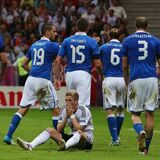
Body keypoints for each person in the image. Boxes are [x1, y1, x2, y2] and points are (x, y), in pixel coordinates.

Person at [3, 23, 60, 144]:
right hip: (43, 80)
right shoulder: (53, 46)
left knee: (22, 109)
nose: (56, 34)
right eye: (54, 31)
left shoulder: (34, 45)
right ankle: (59, 139)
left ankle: (8, 136)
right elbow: (61, 57)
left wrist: (32, 73)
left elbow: (23, 63)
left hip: (31, 80)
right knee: (55, 111)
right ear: (47, 32)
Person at [122, 17, 160, 154]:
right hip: (152, 79)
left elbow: (125, 65)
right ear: (147, 26)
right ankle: (145, 149)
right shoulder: (156, 41)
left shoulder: (127, 41)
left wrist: (126, 81)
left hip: (136, 78)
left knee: (135, 113)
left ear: (135, 25)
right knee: (150, 114)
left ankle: (140, 131)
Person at [16, 90, 94, 151]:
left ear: (76, 101)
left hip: (86, 140)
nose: (67, 103)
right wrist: (66, 117)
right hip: (72, 138)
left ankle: (65, 146)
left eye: (70, 100)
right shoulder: (64, 109)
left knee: (79, 132)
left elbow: (80, 128)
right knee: (50, 130)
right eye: (66, 100)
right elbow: (59, 129)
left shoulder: (84, 110)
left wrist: (72, 115)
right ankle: (30, 145)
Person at [54, 18, 102, 108]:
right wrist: (101, 76)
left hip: (70, 74)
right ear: (87, 28)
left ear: (76, 27)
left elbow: (57, 60)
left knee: (71, 102)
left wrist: (57, 78)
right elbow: (98, 64)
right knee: (83, 104)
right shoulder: (91, 42)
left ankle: (71, 121)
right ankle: (81, 122)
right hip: (84, 74)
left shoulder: (67, 40)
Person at [100, 28, 126, 146]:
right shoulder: (123, 47)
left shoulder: (104, 47)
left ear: (109, 36)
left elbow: (97, 61)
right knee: (120, 110)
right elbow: (126, 64)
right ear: (119, 36)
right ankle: (116, 137)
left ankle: (115, 139)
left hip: (109, 78)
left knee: (110, 110)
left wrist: (102, 75)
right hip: (121, 79)